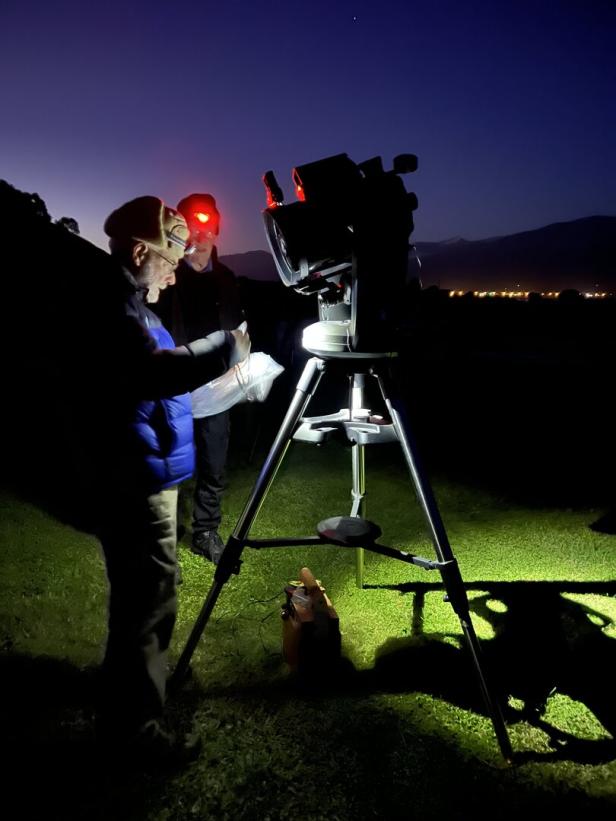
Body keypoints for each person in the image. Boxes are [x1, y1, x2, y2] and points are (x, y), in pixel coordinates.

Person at [96, 195, 249, 762]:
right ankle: (135, 734)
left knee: (143, 600)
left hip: (144, 470)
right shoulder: (116, 308)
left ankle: (125, 708)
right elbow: (150, 373)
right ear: (139, 251)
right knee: (148, 604)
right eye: (166, 259)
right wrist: (227, 346)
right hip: (135, 480)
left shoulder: (132, 301)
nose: (172, 271)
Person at [155, 193, 243, 564]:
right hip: (174, 383)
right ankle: (166, 544)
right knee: (168, 465)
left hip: (216, 386)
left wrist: (241, 363)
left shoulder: (227, 279)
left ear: (217, 230)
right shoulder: (168, 276)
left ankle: (205, 532)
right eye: (193, 226)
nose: (200, 234)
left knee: (214, 463)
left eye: (208, 226)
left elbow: (239, 327)